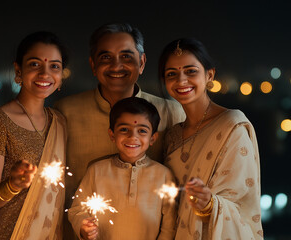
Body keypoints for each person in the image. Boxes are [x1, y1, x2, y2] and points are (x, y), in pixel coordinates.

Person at [53, 23, 185, 238]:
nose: (116, 66)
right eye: (106, 57)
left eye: (126, 56)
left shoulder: (171, 112)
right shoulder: (65, 112)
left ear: (141, 62)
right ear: (93, 64)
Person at [158, 37, 263, 239]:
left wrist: (209, 204)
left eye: (191, 71)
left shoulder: (231, 125)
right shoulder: (171, 135)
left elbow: (242, 202)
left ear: (209, 75)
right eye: (172, 74)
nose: (181, 81)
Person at [0, 31, 68, 240]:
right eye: (35, 64)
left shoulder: (60, 122)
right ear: (18, 70)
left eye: (54, 66)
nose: (45, 74)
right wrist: (12, 185)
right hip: (7, 234)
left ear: (61, 75)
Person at [68, 97, 176, 240]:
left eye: (142, 131)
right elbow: (77, 209)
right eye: (124, 129)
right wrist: (83, 227)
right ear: (112, 135)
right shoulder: (97, 170)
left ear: (152, 138)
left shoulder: (163, 175)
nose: (133, 137)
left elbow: (170, 223)